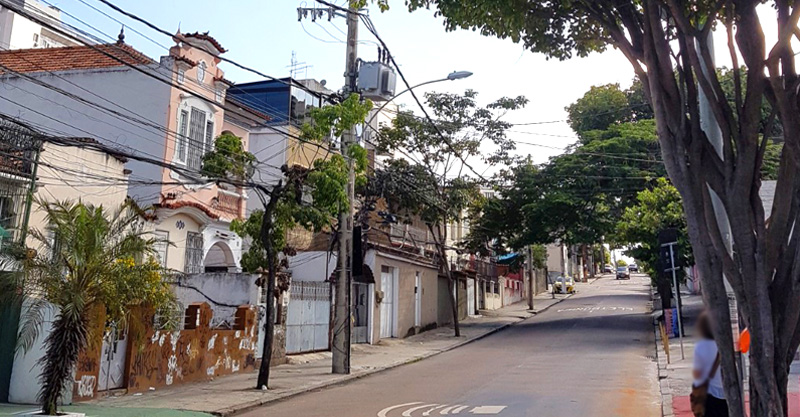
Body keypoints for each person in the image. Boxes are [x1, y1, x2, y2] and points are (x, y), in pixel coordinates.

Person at [693, 312, 728, 417]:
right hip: (729, 392)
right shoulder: (728, 344)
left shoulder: (700, 347)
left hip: (710, 392)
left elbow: (698, 374)